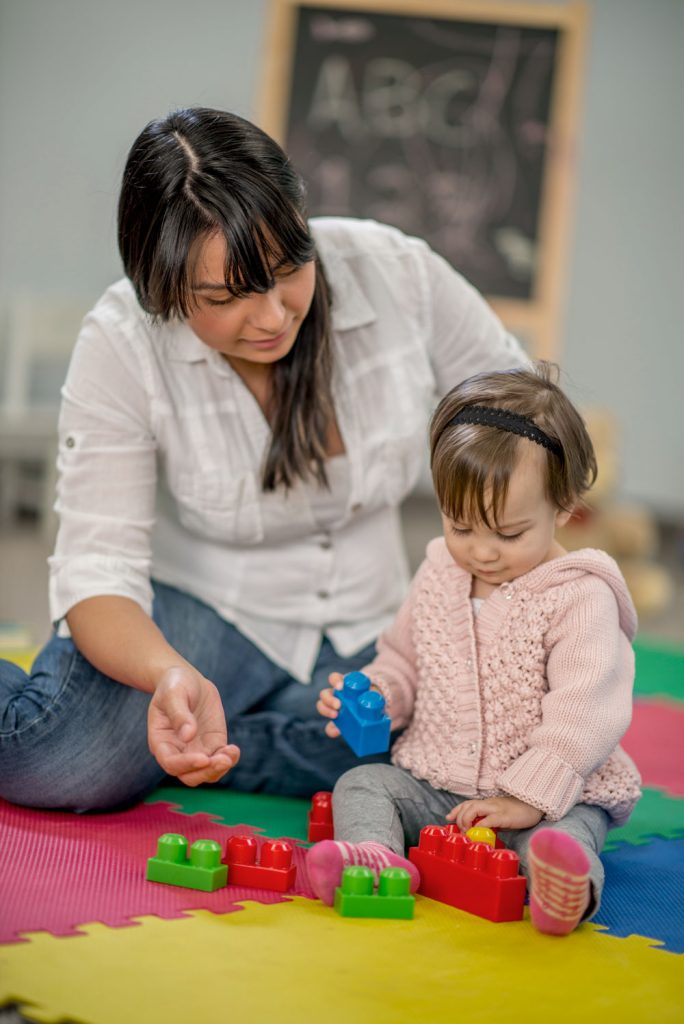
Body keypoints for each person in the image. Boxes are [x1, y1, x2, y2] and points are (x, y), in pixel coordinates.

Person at [0, 107, 527, 813]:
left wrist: (508, 584)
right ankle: (201, 728)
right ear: (161, 285)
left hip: (375, 619)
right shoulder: (121, 340)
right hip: (207, 610)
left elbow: (519, 416)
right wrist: (169, 677)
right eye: (224, 297)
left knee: (490, 748)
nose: (275, 317)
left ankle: (211, 741)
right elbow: (98, 567)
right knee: (60, 764)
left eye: (288, 271)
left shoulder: (396, 272)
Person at [310, 362, 641, 936]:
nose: (481, 551)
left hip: (551, 796)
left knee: (564, 837)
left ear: (564, 508)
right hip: (440, 790)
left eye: (509, 533)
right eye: (461, 526)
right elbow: (404, 658)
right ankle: (375, 862)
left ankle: (564, 889)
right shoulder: (440, 572)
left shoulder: (580, 596)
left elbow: (587, 709)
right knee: (360, 784)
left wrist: (528, 798)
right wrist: (381, 695)